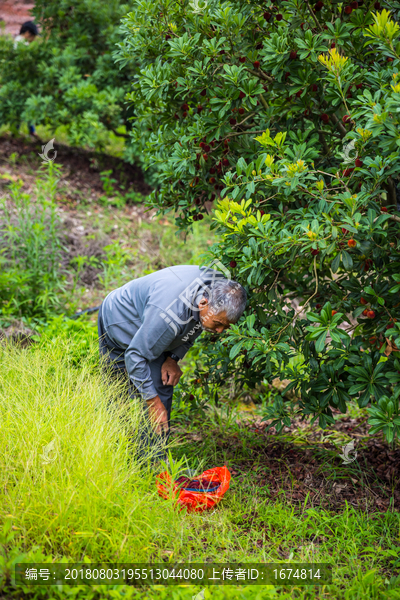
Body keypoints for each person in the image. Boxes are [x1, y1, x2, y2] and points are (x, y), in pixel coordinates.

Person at [98, 265, 247, 457]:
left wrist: (173, 357)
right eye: (218, 324)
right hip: (121, 318)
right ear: (203, 303)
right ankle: (110, 452)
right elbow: (135, 356)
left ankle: (152, 462)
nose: (219, 332)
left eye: (225, 327)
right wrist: (153, 402)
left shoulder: (216, 286)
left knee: (162, 383)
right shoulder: (168, 316)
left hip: (154, 319)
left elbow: (195, 324)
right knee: (117, 391)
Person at [14, 22, 39, 137]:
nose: (33, 39)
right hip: (21, 80)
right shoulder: (21, 43)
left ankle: (30, 130)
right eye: (33, 36)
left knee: (25, 105)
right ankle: (23, 130)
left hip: (21, 79)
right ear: (28, 33)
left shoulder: (19, 41)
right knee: (23, 105)